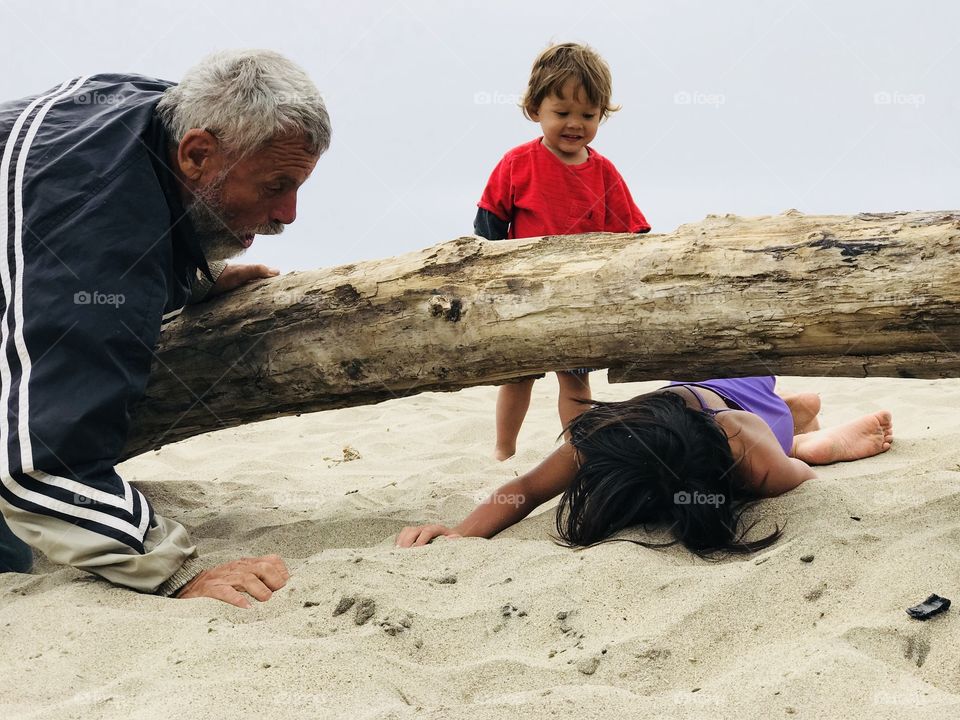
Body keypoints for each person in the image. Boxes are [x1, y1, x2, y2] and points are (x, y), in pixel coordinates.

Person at [0, 49, 331, 607]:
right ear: (197, 153)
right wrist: (172, 571)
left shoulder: (153, 112)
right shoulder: (97, 228)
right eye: (276, 185)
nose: (290, 213)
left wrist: (187, 278)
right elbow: (42, 464)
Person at [396, 377, 894, 553]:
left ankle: (804, 427)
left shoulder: (740, 438)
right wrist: (462, 532)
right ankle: (801, 410)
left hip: (741, 397)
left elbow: (801, 484)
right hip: (674, 407)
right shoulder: (606, 441)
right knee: (785, 424)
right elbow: (522, 490)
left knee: (784, 450)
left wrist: (771, 474)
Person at [473, 42, 651, 462]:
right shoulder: (518, 163)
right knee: (518, 378)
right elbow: (488, 224)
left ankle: (577, 449)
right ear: (535, 109)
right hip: (523, 294)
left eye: (588, 115)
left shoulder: (604, 171)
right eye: (563, 113)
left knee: (575, 382)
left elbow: (633, 233)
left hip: (577, 298)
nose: (575, 124)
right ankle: (504, 452)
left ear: (602, 115)